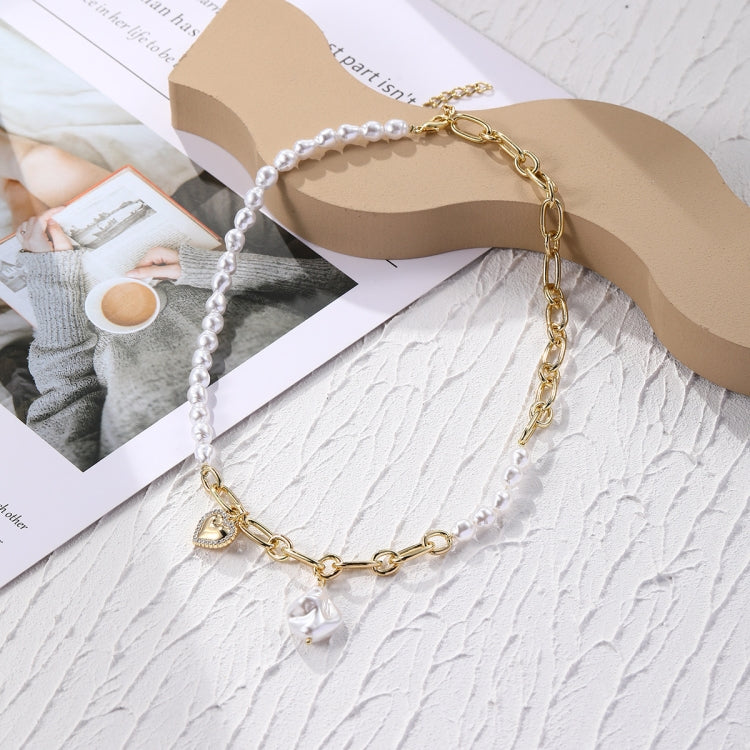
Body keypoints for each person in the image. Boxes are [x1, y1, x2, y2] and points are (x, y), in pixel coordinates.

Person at [2, 131, 354, 470]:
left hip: (80, 325)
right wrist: (213, 269)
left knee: (34, 216)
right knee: (46, 167)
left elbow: (65, 406)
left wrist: (53, 282)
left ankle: (15, 195)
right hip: (204, 263)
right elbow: (341, 286)